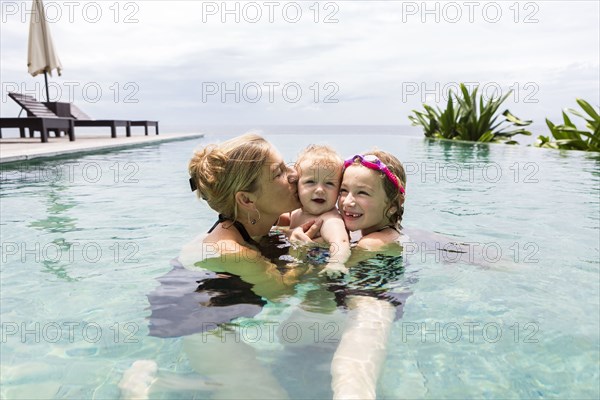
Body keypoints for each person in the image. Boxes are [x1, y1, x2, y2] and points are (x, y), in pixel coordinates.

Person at [330, 150, 408, 400]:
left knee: (351, 374)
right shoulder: (391, 234)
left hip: (372, 304)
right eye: (343, 190)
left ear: (393, 205)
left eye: (362, 193)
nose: (347, 201)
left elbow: (333, 265)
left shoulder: (369, 244)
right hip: (372, 297)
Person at [286, 144, 351, 277]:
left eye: (329, 183)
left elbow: (340, 242)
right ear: (297, 186)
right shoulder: (295, 212)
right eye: (310, 182)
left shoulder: (330, 219)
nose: (320, 189)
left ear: (338, 191)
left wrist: (336, 263)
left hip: (322, 272)